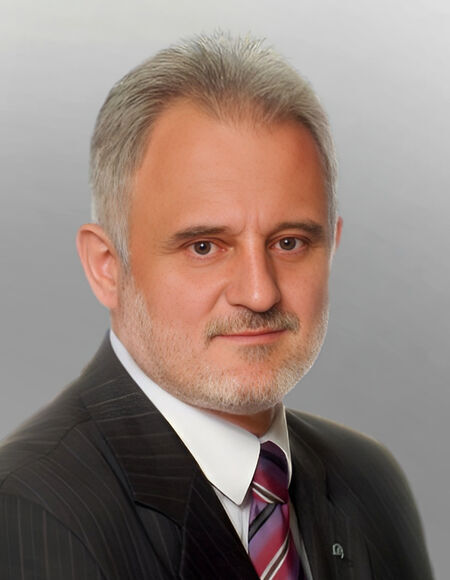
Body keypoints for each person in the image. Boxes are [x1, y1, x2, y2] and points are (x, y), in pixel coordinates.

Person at [0, 32, 433, 579]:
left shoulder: (369, 482)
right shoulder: (30, 509)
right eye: (204, 247)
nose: (259, 293)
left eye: (290, 242)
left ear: (332, 248)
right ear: (107, 266)